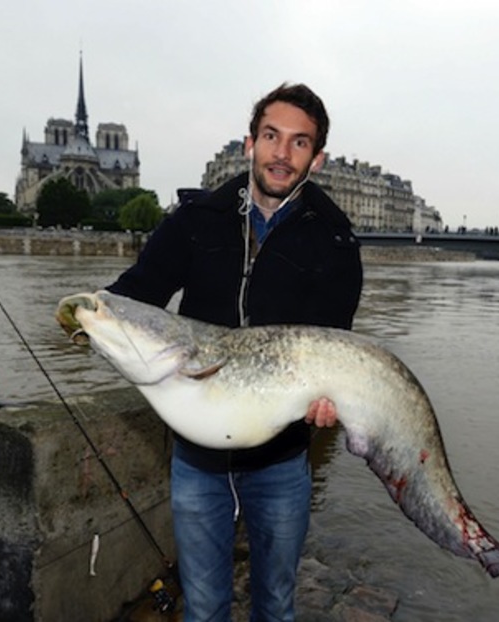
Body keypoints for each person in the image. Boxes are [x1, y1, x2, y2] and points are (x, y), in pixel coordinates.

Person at [107, 83, 363, 621]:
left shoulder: (336, 242)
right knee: (203, 608)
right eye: (271, 136)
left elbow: (332, 349)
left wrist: (328, 402)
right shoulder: (197, 219)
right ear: (250, 143)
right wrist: (94, 314)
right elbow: (140, 290)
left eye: (298, 143)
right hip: (197, 458)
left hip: (282, 457)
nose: (281, 153)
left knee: (275, 605)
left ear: (316, 158)